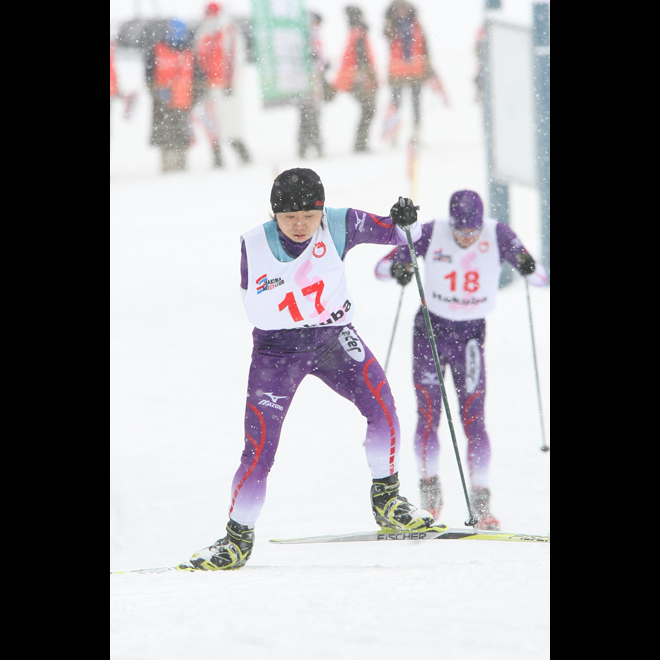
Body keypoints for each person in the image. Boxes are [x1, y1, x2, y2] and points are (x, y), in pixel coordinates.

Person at [176, 169, 446, 571]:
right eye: (289, 217)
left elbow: (401, 233)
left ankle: (388, 500)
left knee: (382, 405)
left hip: (334, 338)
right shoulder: (255, 242)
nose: (300, 225)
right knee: (260, 448)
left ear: (321, 208)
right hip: (277, 353)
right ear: (274, 215)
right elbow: (263, 302)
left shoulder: (338, 222)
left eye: (308, 214)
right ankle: (236, 540)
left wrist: (405, 218)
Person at [374, 190, 548, 530]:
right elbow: (380, 269)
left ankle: (481, 504)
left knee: (473, 418)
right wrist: (399, 267)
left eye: (472, 231)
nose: (466, 238)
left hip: (470, 337)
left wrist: (527, 266)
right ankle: (429, 497)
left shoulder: (497, 234)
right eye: (460, 231)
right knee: (428, 413)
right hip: (430, 332)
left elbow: (541, 279)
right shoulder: (430, 232)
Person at [194, 2, 252, 168]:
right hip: (209, 85)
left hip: (227, 84)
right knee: (210, 121)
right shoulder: (203, 32)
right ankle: (217, 155)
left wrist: (229, 80)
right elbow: (199, 58)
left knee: (231, 120)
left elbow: (234, 56)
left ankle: (242, 152)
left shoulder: (228, 30)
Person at [146, 19, 204, 173]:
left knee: (181, 137)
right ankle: (167, 168)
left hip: (183, 103)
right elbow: (149, 76)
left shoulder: (189, 52)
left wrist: (193, 99)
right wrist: (157, 94)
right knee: (165, 137)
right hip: (162, 104)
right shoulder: (157, 50)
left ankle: (181, 167)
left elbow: (200, 80)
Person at [382, 1, 443, 143]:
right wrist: (390, 17)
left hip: (416, 71)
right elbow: (385, 33)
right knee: (396, 104)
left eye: (404, 8)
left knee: (416, 104)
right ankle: (394, 133)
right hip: (397, 73)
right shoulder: (392, 26)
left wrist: (429, 67)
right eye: (398, 9)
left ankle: (417, 133)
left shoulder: (417, 26)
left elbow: (425, 48)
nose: (401, 12)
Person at [333, 6, 379, 153]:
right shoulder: (359, 33)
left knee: (367, 109)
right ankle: (360, 143)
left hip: (353, 77)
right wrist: (370, 77)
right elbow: (362, 59)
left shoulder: (354, 32)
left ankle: (360, 142)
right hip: (358, 77)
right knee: (369, 108)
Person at [297, 12, 332, 159]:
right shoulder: (306, 36)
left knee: (307, 117)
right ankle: (313, 146)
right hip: (308, 81)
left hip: (310, 80)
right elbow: (313, 58)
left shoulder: (306, 35)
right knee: (311, 116)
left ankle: (306, 147)